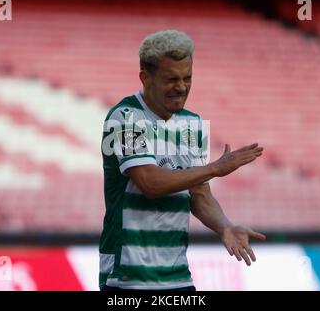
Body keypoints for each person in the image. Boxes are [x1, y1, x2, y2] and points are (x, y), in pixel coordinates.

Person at [99, 30, 265, 291]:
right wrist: (214, 168)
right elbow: (150, 183)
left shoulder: (193, 124)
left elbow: (199, 196)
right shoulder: (125, 118)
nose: (182, 87)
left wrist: (225, 227)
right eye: (171, 79)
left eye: (187, 78)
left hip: (178, 277)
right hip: (127, 277)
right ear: (146, 78)